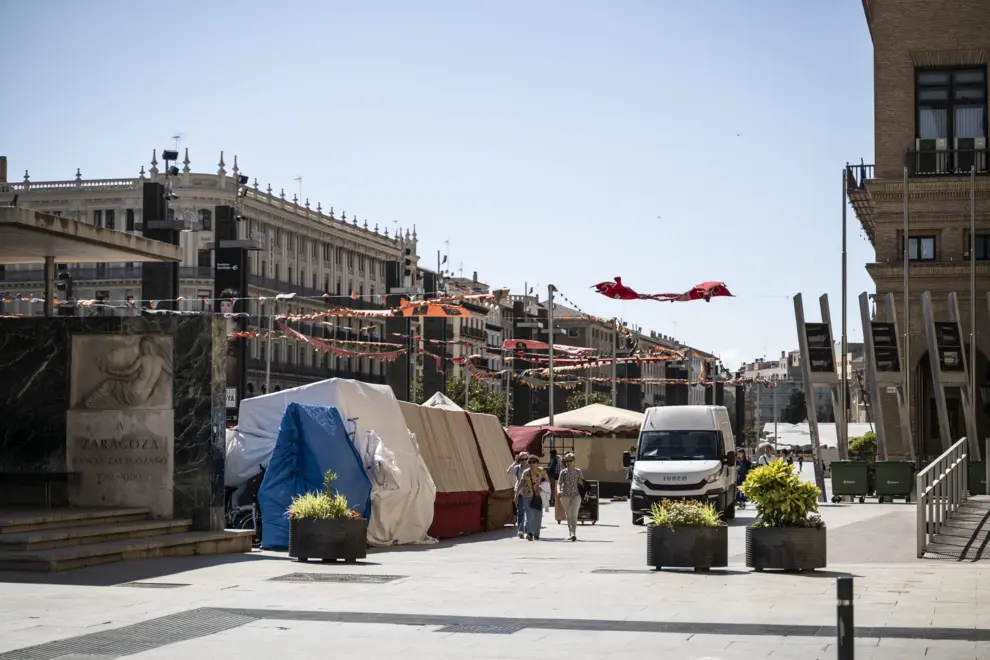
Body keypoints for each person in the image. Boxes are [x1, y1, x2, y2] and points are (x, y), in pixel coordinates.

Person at [515, 455, 548, 541]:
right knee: (529, 515)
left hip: (538, 496)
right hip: (526, 495)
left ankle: (536, 533)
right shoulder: (525, 472)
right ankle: (529, 533)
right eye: (530, 462)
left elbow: (547, 481)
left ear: (537, 463)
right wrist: (516, 495)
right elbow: (521, 483)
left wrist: (540, 488)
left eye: (534, 462)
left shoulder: (541, 471)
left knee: (537, 515)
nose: (532, 464)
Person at [556, 453, 584, 542]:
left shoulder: (578, 471)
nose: (568, 462)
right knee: (568, 514)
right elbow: (559, 483)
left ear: (574, 461)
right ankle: (570, 532)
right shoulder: (563, 472)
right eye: (566, 461)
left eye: (570, 460)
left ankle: (573, 533)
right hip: (565, 495)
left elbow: (581, 482)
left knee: (574, 514)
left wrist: (582, 485)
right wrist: (559, 491)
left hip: (576, 494)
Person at [507, 452, 529, 538]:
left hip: (529, 492)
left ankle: (528, 530)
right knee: (520, 512)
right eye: (521, 459)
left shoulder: (531, 467)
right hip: (520, 492)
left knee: (529, 512)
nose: (524, 461)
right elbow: (508, 471)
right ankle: (520, 530)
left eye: (525, 459)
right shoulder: (517, 468)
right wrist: (515, 462)